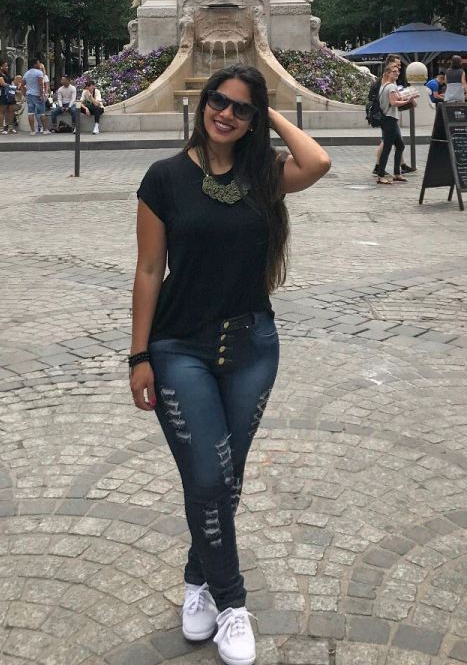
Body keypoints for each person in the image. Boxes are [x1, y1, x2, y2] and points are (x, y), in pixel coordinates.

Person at [130, 64, 331, 664]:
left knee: (223, 478)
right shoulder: (165, 177)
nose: (226, 114)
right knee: (210, 478)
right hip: (179, 347)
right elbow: (148, 271)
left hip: (251, 348)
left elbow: (318, 162)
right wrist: (138, 355)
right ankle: (232, 603)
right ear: (203, 103)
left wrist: (269, 113)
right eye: (219, 101)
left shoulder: (264, 175)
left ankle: (197, 580)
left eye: (241, 108)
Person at [377, 58, 415, 183]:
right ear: (388, 73)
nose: (397, 73)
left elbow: (395, 99)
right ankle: (381, 175)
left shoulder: (384, 86)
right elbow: (394, 103)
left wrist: (406, 98)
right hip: (390, 119)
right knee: (387, 148)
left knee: (400, 145)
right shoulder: (391, 86)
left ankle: (397, 173)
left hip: (388, 119)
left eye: (398, 71)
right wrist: (407, 101)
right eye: (394, 71)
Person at [23, 59, 49, 134]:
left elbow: (22, 85)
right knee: (41, 113)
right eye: (38, 63)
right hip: (37, 95)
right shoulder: (39, 73)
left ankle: (32, 131)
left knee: (30, 113)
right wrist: (41, 94)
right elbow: (40, 84)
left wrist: (25, 94)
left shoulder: (26, 73)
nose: (39, 64)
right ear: (35, 64)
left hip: (29, 95)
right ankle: (45, 130)